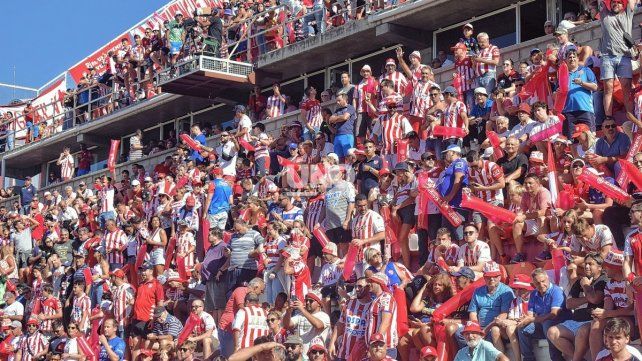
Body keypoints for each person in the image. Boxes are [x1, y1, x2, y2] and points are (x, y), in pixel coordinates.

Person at [517, 268, 569, 361]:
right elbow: (530, 314)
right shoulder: (533, 294)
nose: (541, 285)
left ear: (547, 278)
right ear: (533, 284)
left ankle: (556, 358)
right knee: (522, 328)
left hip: (560, 324)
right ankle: (528, 359)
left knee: (547, 324)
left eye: (543, 281)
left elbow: (554, 314)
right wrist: (524, 319)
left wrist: (532, 319)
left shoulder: (556, 291)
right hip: (541, 325)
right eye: (537, 283)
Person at [599, 0, 636, 120]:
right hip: (607, 56)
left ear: (623, 4)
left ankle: (631, 116)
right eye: (613, 2)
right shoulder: (605, 13)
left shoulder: (627, 14)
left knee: (626, 87)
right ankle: (608, 118)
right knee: (608, 87)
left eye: (619, 2)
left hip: (624, 56)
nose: (615, 3)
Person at [283, 290, 331, 355]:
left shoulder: (324, 316)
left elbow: (318, 326)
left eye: (311, 301)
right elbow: (287, 325)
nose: (307, 303)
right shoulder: (301, 315)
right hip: (302, 354)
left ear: (319, 304)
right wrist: (288, 312)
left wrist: (302, 310)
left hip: (316, 354)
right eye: (306, 300)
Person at [366, 273, 398, 358]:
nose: (369, 284)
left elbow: (385, 322)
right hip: (376, 348)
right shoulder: (376, 299)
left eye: (372, 281)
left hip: (383, 348)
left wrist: (376, 346)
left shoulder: (386, 298)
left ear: (379, 283)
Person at [329, 93, 356, 161]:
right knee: (338, 158)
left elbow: (345, 117)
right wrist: (341, 118)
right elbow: (330, 120)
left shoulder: (350, 107)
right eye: (337, 101)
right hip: (337, 136)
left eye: (339, 100)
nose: (337, 102)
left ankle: (349, 171)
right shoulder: (337, 110)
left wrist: (337, 118)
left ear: (345, 100)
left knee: (349, 157)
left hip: (347, 134)